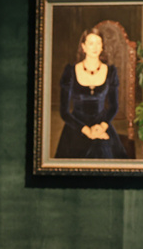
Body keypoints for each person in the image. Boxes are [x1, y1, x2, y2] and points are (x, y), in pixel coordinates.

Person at [55, 27, 128, 159]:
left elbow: (113, 106)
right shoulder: (70, 71)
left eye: (98, 43)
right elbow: (64, 112)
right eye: (91, 43)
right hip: (77, 125)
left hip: (101, 124)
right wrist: (87, 131)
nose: (95, 47)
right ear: (83, 47)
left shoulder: (110, 71)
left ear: (102, 46)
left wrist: (102, 127)